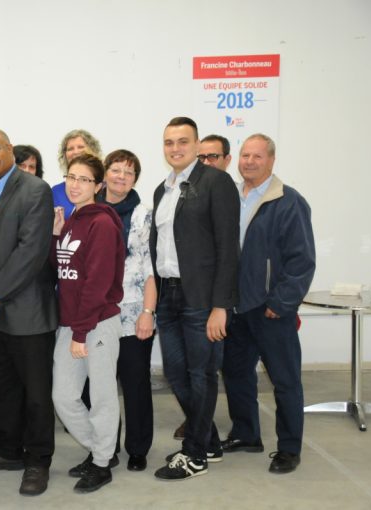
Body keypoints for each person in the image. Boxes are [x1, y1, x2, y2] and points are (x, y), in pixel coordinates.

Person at [0, 129, 58, 497]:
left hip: (26, 312)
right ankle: (6, 450)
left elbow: (30, 252)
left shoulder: (34, 190)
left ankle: (37, 460)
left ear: (10, 152)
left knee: (35, 393)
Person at [151, 117, 240, 481]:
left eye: (183, 141)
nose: (175, 148)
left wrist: (221, 306)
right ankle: (210, 441)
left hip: (201, 297)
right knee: (175, 371)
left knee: (201, 374)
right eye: (169, 142)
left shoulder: (215, 182)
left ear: (196, 142)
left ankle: (195, 454)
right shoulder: (162, 189)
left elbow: (227, 248)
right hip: (168, 294)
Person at [220, 134, 315, 474]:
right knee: (235, 374)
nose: (249, 161)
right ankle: (246, 434)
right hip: (237, 307)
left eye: (257, 156)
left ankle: (289, 448)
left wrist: (283, 301)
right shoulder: (231, 197)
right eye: (245, 155)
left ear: (271, 160)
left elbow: (301, 261)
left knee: (285, 380)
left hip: (272, 309)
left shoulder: (288, 202)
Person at [51, 154, 125, 493]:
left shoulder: (103, 224)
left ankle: (101, 463)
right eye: (71, 176)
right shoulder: (71, 221)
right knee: (63, 396)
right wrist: (55, 237)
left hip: (96, 324)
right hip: (72, 323)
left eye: (83, 179)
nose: (75, 184)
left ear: (98, 185)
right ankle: (101, 451)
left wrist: (81, 332)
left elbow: (96, 283)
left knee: (102, 396)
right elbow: (63, 269)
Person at [96, 149, 157, 472]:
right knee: (102, 386)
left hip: (134, 312)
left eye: (128, 173)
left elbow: (149, 268)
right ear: (105, 173)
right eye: (116, 170)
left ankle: (137, 448)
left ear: (135, 179)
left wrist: (148, 311)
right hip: (98, 313)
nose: (121, 177)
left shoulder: (144, 213)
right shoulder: (89, 209)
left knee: (135, 383)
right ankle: (106, 447)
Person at [52, 130, 102, 220]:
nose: (75, 152)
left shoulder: (103, 188)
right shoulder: (56, 192)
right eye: (70, 149)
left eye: (80, 147)